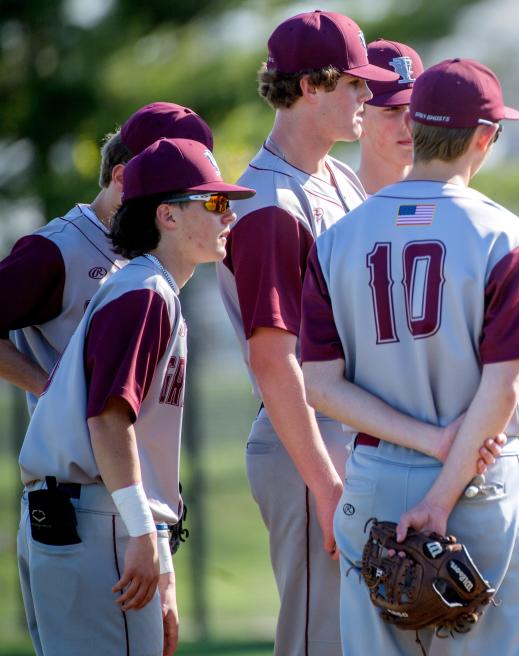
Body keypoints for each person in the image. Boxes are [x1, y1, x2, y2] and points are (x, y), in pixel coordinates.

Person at [300, 57, 519, 655]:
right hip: (474, 483)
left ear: (413, 127)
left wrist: (425, 440)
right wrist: (442, 489)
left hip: (374, 485)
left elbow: (319, 385)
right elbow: (503, 389)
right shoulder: (507, 236)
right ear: (485, 136)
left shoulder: (337, 239)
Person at [17, 137, 254, 656]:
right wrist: (143, 534)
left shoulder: (147, 287)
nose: (229, 215)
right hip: (95, 520)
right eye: (213, 202)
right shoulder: (145, 293)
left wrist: (161, 558)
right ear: (167, 216)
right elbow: (107, 420)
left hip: (82, 516)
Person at [215, 10, 399, 655]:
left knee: (360, 636)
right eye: (354, 83)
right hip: (305, 440)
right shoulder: (269, 205)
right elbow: (273, 359)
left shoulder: (337, 180)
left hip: (343, 426)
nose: (367, 97)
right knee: (318, 640)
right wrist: (325, 482)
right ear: (314, 85)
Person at [0, 102, 213, 414]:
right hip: (75, 457)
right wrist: (54, 392)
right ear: (123, 178)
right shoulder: (56, 249)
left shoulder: (161, 251)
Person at [356, 39, 424, 193]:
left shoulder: (442, 202)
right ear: (358, 114)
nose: (409, 122)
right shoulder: (336, 207)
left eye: (416, 108)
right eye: (393, 108)